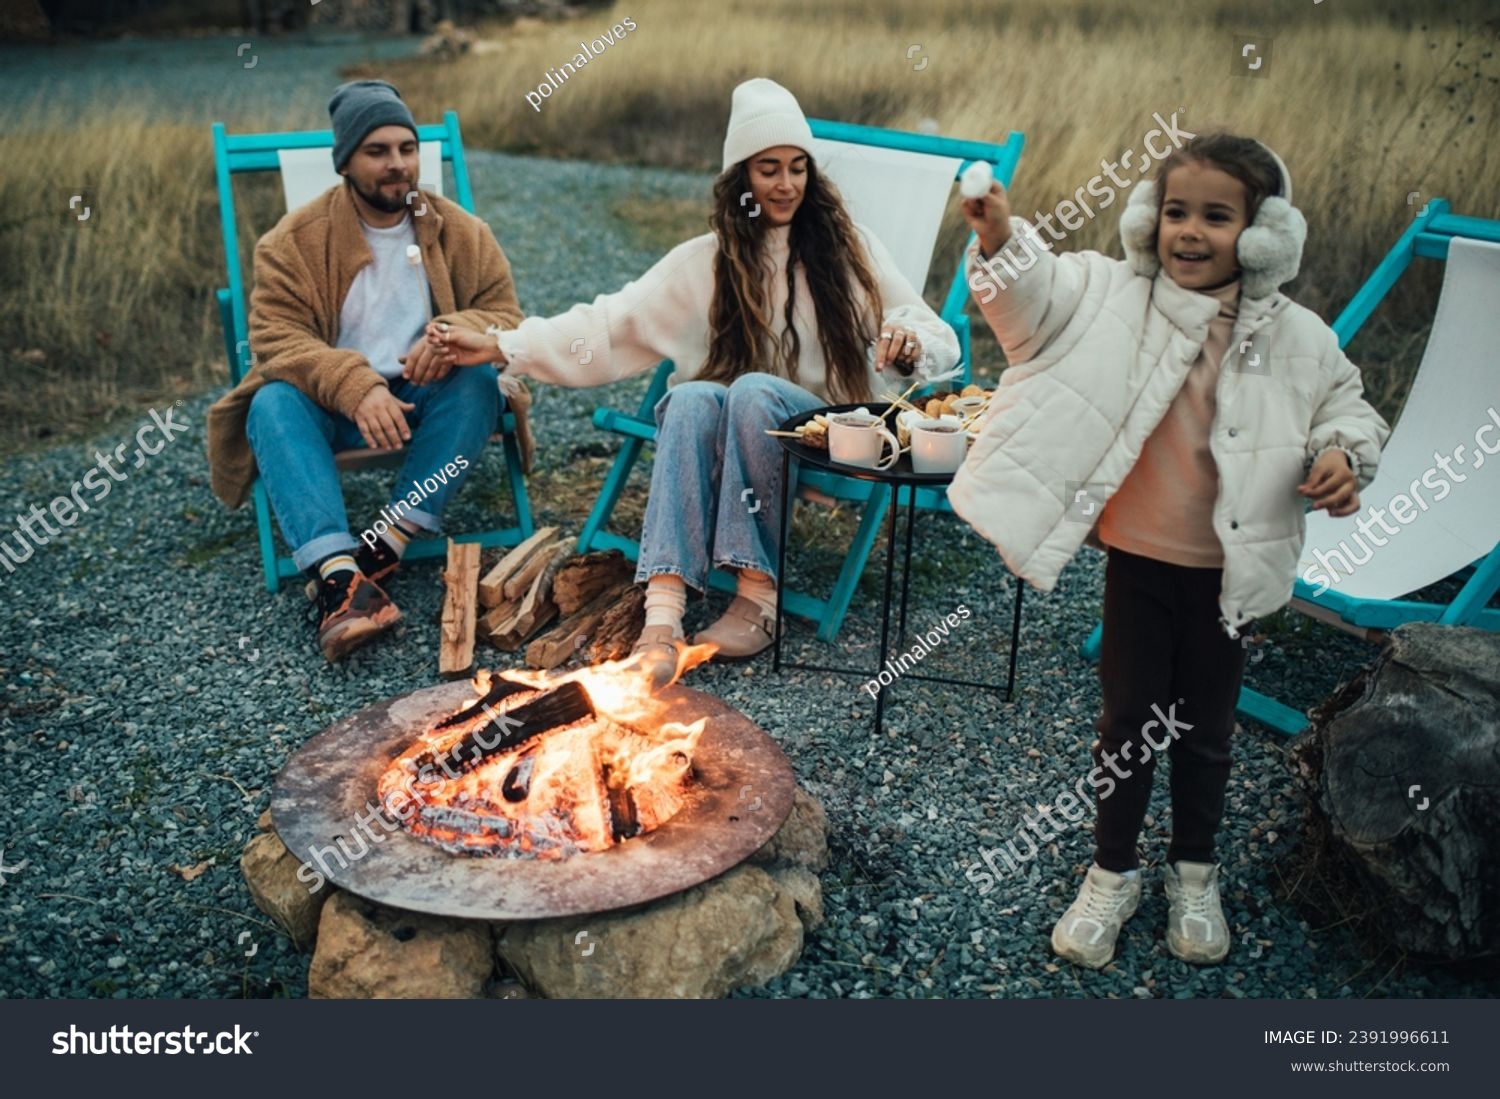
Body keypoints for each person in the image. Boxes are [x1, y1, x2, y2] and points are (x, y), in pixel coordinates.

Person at [950, 132, 1390, 968]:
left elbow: (1348, 406)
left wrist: (1340, 453)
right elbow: (1033, 303)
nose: (1189, 231)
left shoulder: (1298, 336)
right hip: (1139, 561)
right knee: (1126, 725)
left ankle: (1195, 870)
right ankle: (1111, 872)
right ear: (1148, 218)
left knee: (1206, 731)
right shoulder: (1115, 294)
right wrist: (1001, 240)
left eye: (1216, 217)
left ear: (1264, 237)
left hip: (1231, 574)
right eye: (1176, 212)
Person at [431, 78, 960, 686]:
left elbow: (924, 324)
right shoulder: (706, 261)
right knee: (686, 395)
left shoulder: (851, 249)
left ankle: (757, 596)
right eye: (768, 170)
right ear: (742, 179)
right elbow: (609, 323)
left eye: (796, 169)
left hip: (827, 422)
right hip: (738, 416)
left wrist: (909, 342)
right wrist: (503, 344)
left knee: (753, 389)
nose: (786, 185)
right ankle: (663, 615)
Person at [206, 80, 529, 662]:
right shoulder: (292, 241)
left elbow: (505, 314)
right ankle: (337, 574)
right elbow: (276, 339)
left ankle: (386, 541)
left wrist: (451, 332)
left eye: (407, 149)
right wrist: (355, 387)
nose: (397, 165)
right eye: (377, 151)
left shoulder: (459, 230)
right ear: (345, 162)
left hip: (421, 394)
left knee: (480, 381)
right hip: (330, 401)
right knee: (270, 403)